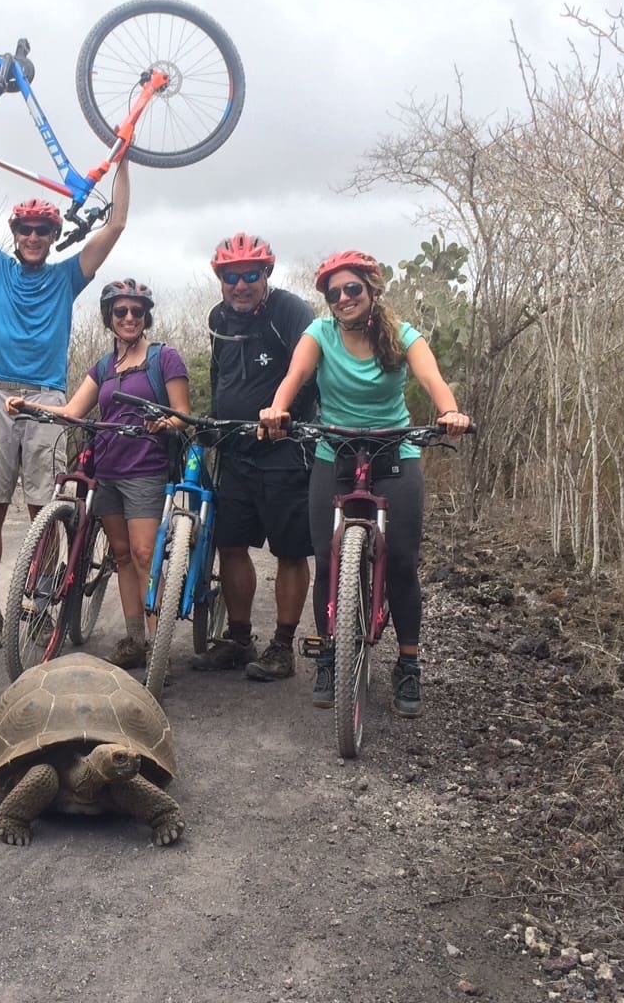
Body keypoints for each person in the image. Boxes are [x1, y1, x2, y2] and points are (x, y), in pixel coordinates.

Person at [259, 249, 471, 717]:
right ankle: (330, 656)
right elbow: (295, 376)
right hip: (334, 449)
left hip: (394, 451)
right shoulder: (320, 334)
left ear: (372, 291)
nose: (342, 298)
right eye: (333, 293)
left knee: (402, 562)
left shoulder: (402, 335)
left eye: (352, 288)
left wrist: (450, 412)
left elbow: (432, 378)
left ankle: (408, 664)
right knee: (327, 559)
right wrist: (277, 409)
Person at [0, 107, 132, 650]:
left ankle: (37, 600)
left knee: (46, 511)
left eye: (43, 230)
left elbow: (115, 225)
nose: (33, 236)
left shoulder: (66, 277)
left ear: (54, 235)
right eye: (26, 229)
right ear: (15, 234)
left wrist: (123, 162)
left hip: (48, 400)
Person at [7, 279, 191, 668]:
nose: (129, 317)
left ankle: (157, 648)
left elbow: (182, 415)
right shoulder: (105, 366)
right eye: (121, 311)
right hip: (107, 471)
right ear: (109, 317)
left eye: (137, 311)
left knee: (144, 554)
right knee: (121, 555)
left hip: (146, 469)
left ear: (146, 317)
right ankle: (134, 639)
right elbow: (73, 411)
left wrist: (165, 422)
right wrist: (31, 407)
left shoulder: (164, 357)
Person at [196, 233, 318, 683]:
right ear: (221, 280)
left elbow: (308, 370)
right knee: (230, 545)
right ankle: (239, 637)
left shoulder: (290, 311)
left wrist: (290, 414)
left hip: (284, 450)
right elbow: (220, 373)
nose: (241, 285)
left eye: (251, 275)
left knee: (289, 550)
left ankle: (283, 647)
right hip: (236, 450)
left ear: (266, 274)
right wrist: (212, 420)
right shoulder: (218, 317)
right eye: (231, 277)